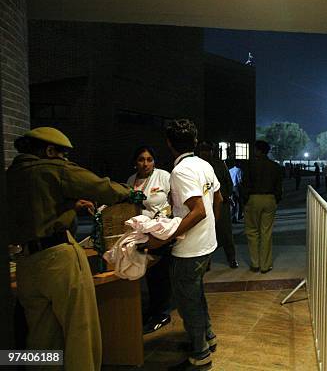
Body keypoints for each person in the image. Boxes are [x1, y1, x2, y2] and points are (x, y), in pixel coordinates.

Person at [7, 127, 130, 370]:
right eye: (63, 155)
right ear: (50, 150)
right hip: (58, 258)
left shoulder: (11, 176)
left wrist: (69, 206)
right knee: (80, 331)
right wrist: (129, 193)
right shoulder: (51, 168)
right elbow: (102, 187)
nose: (65, 161)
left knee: (41, 336)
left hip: (26, 263)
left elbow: (37, 208)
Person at [146, 119, 223, 371]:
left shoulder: (180, 172)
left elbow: (198, 210)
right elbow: (218, 200)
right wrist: (211, 231)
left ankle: (200, 354)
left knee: (188, 301)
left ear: (169, 143)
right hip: (206, 244)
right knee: (196, 294)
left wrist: (166, 237)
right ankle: (208, 337)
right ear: (195, 141)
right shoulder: (204, 164)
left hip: (189, 249)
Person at [126, 146, 174, 334]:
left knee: (159, 274)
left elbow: (174, 200)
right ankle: (153, 309)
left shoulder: (163, 176)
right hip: (139, 232)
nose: (145, 163)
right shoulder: (131, 180)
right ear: (135, 162)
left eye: (149, 159)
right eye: (141, 159)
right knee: (144, 272)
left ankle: (162, 313)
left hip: (159, 232)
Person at [243, 140, 283, 273]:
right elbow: (279, 187)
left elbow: (245, 184)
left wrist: (245, 199)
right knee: (266, 232)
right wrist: (276, 199)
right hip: (270, 198)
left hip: (253, 198)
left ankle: (255, 263)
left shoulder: (250, 165)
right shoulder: (275, 166)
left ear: (257, 150)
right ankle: (265, 265)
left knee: (252, 231)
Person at [198, 141, 239, 268]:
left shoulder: (220, 164)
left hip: (221, 204)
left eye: (208, 150)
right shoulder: (197, 166)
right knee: (205, 234)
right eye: (203, 150)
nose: (206, 153)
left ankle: (231, 259)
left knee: (226, 233)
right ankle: (207, 262)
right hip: (204, 205)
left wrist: (226, 197)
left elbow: (229, 183)